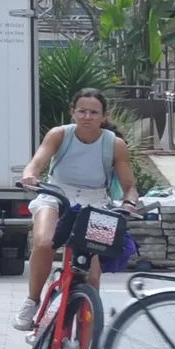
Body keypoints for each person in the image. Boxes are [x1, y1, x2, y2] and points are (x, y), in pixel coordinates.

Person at [15, 89, 131, 331]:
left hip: (96, 200)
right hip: (57, 194)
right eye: (82, 111)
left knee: (92, 278)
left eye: (93, 112)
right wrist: (30, 177)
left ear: (103, 116)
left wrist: (129, 202)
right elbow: (36, 164)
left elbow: (130, 187)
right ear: (73, 112)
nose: (87, 116)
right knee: (45, 242)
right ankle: (33, 301)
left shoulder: (114, 144)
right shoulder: (60, 135)